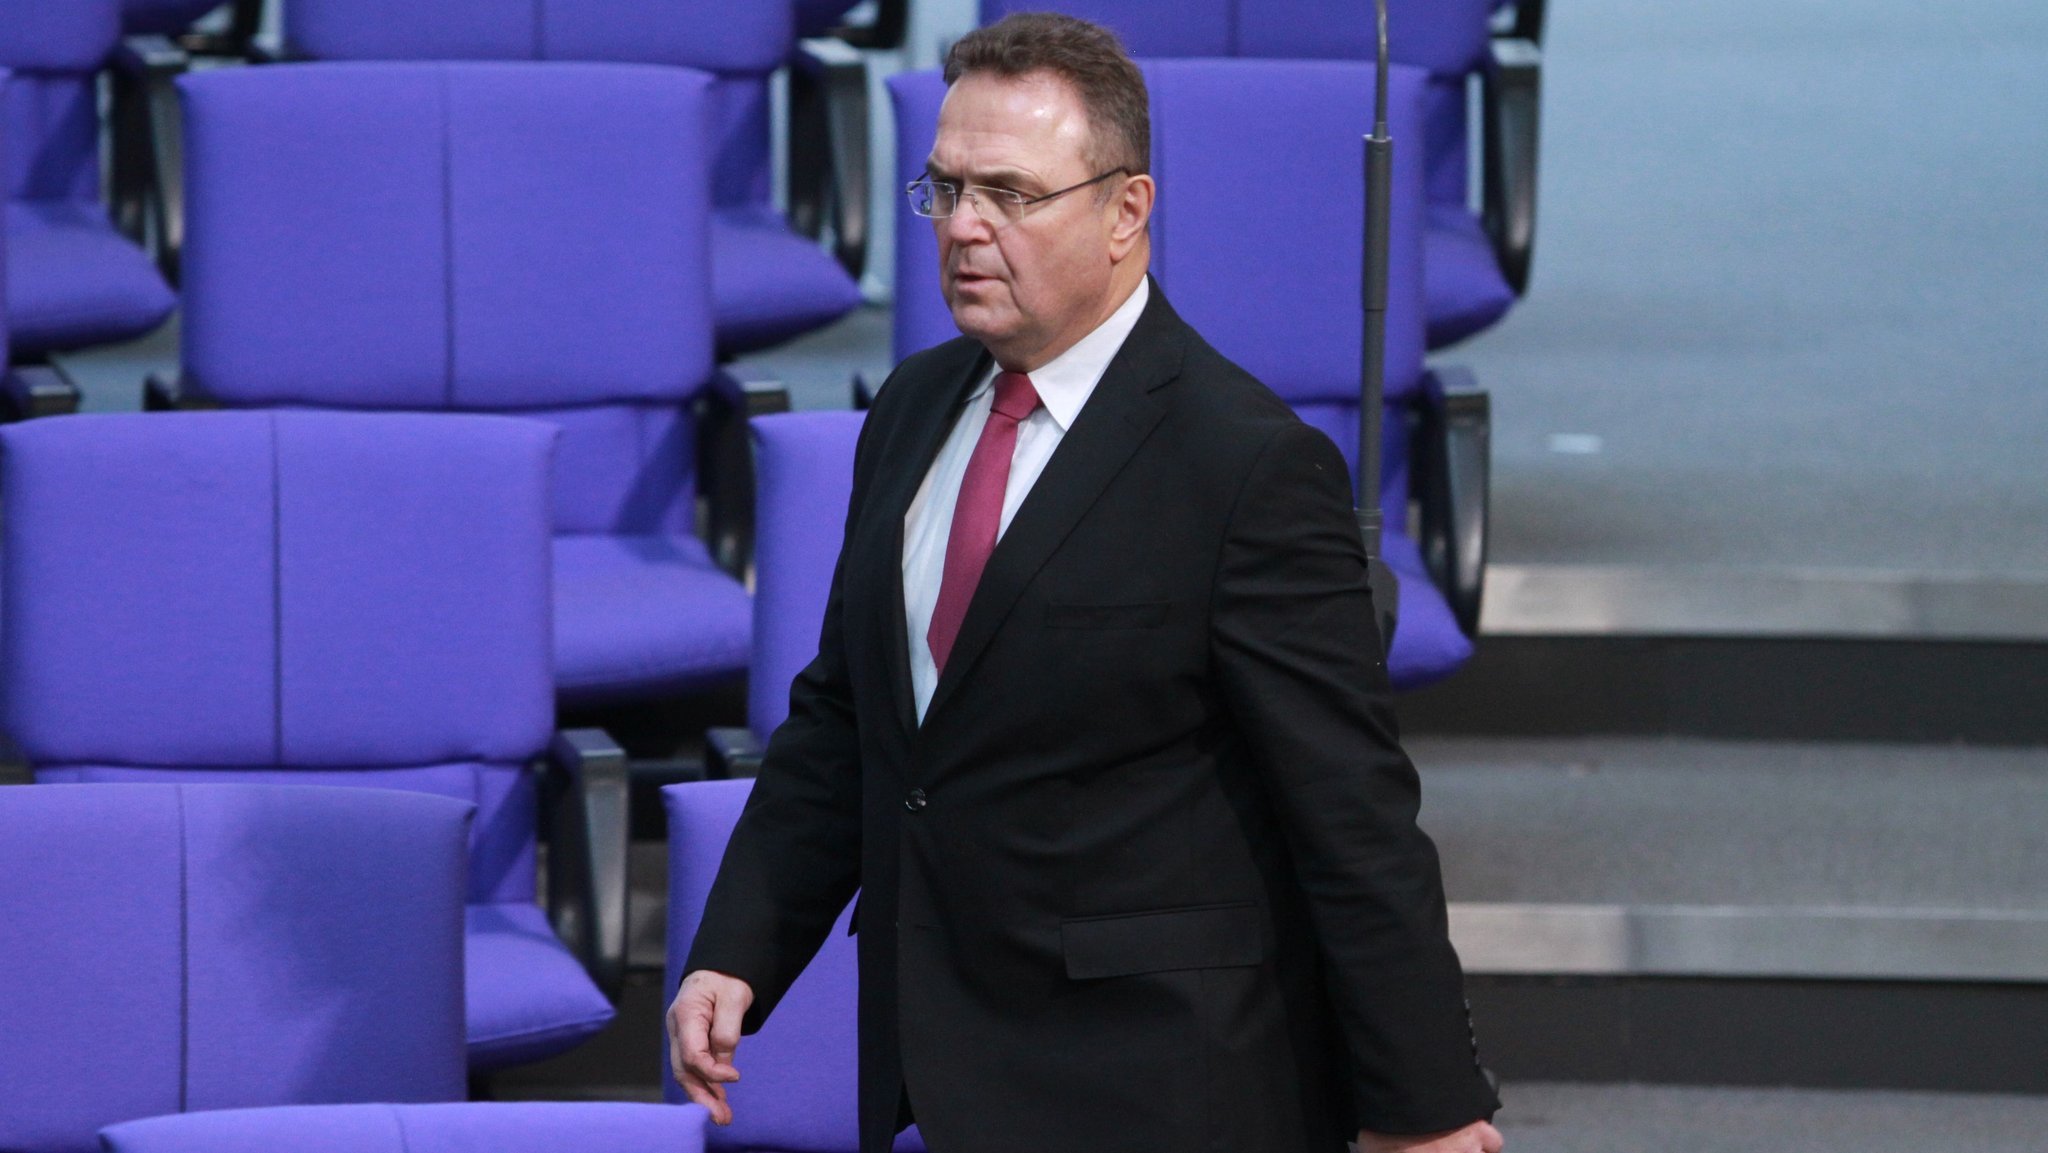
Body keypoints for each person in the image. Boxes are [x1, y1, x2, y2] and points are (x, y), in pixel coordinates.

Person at [668, 13, 1504, 1153]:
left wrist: (1427, 1111)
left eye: (1010, 193)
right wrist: (739, 946)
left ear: (1125, 212)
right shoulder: (912, 409)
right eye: (945, 188)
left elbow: (1349, 813)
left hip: (1159, 1084)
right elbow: (851, 712)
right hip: (945, 1067)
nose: (963, 227)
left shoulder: (1245, 464)